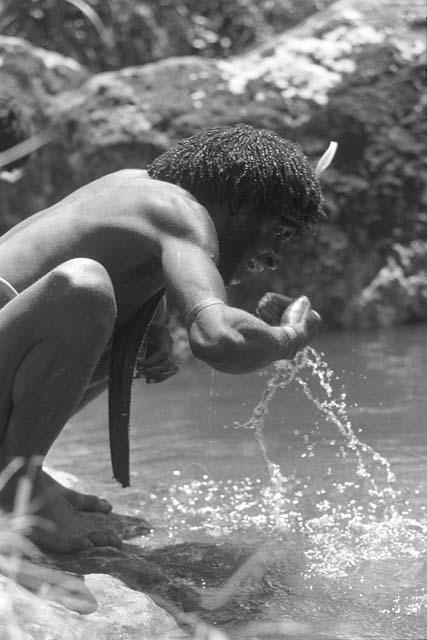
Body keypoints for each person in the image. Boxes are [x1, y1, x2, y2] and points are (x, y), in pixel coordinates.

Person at [0, 124, 323, 553]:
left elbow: (116, 253)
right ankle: (19, 492)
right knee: (84, 289)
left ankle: (20, 466)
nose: (274, 257)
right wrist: (289, 336)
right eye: (279, 233)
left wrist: (153, 327)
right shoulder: (180, 212)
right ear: (241, 205)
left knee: (119, 325)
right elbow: (218, 339)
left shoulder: (133, 187)